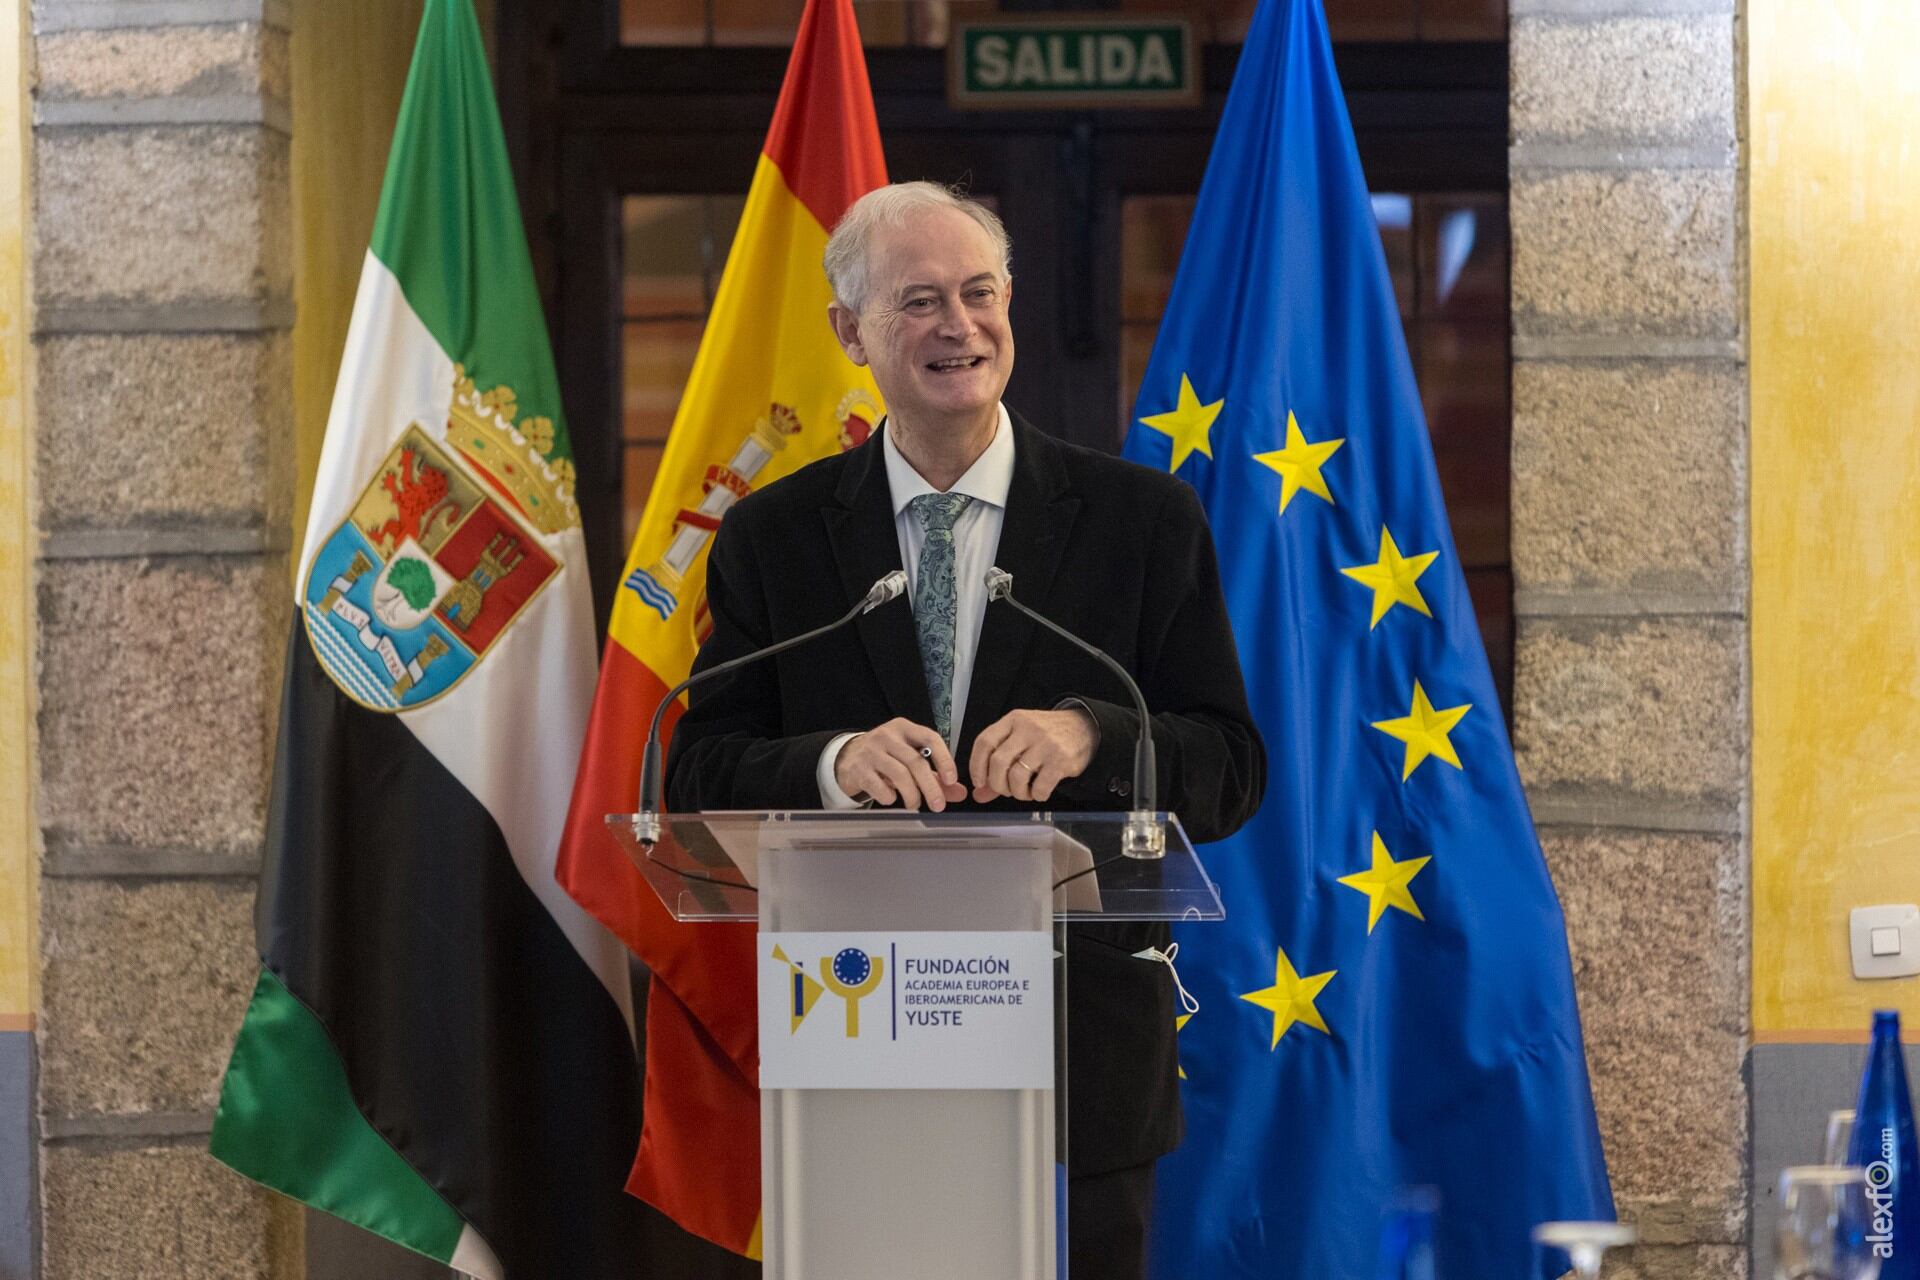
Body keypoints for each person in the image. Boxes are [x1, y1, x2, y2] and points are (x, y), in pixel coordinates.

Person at [664, 180, 1265, 1277]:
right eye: (920, 300)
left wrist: (1092, 735)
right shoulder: (774, 537)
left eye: (980, 293)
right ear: (850, 331)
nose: (961, 325)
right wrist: (834, 763)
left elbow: (1230, 766)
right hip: (861, 1035)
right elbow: (699, 773)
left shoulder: (1141, 521)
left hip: (1081, 1057)